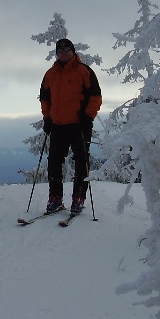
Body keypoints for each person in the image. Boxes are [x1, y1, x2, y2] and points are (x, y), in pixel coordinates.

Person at [39, 38, 102, 214]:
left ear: (73, 51)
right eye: (60, 50)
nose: (64, 52)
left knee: (82, 161)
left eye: (67, 49)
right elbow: (45, 98)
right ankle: (55, 198)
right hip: (58, 125)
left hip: (80, 125)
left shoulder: (84, 71)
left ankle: (78, 198)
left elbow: (95, 96)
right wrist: (47, 118)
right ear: (56, 53)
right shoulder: (50, 74)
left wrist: (88, 117)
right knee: (54, 162)